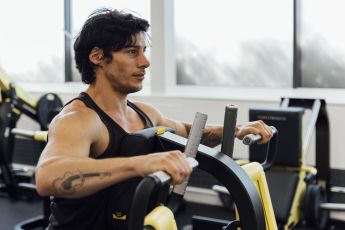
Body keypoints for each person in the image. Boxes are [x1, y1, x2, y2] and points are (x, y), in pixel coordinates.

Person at [35, 8, 273, 230]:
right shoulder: (79, 118)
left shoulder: (144, 112)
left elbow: (188, 135)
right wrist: (141, 163)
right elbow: (48, 177)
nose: (145, 62)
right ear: (98, 57)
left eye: (144, 51)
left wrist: (235, 129)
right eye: (132, 52)